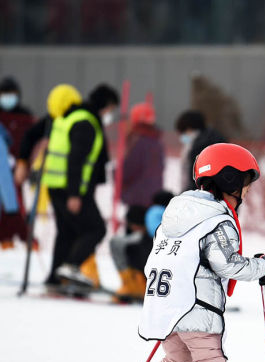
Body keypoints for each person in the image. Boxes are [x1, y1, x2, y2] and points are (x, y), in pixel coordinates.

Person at [122, 143, 265, 362]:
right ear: (229, 179)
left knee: (176, 359)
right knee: (212, 360)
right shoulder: (217, 219)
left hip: (169, 307)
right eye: (244, 184)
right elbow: (226, 264)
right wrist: (260, 267)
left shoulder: (174, 218)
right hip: (198, 307)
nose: (246, 192)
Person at [39, 84, 119, 289]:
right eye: (111, 109)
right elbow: (75, 159)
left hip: (55, 184)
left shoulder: (69, 117)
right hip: (72, 189)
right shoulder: (86, 122)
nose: (111, 114)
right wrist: (74, 194)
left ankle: (55, 277)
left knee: (66, 231)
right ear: (105, 105)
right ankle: (71, 266)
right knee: (96, 229)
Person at [0, 76, 35, 248]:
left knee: (15, 203)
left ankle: (19, 235)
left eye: (11, 94)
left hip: (18, 166)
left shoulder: (25, 116)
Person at [121, 101, 165, 208]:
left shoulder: (138, 141)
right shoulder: (156, 141)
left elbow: (129, 169)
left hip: (137, 197)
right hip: (153, 195)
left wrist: (116, 174)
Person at [174, 110, 225, 191]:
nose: (183, 136)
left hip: (201, 193)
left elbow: (195, 178)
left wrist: (185, 194)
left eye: (183, 132)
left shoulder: (199, 146)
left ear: (189, 128)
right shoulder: (215, 137)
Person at [108, 205, 151, 300]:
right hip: (138, 276)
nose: (132, 228)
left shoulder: (146, 236)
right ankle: (130, 284)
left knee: (116, 243)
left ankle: (134, 285)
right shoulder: (136, 238)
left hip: (145, 279)